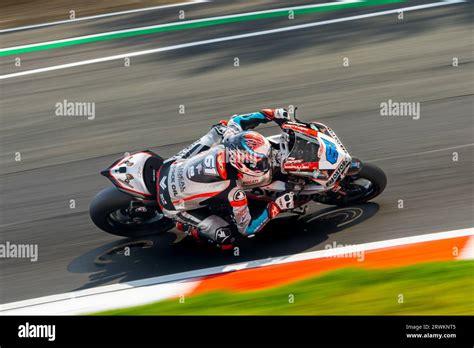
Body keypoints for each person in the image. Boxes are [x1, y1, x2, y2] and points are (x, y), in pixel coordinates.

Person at [157, 108, 295, 250]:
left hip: (169, 166)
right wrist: (276, 207)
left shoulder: (230, 140)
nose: (268, 161)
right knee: (226, 238)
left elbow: (236, 121)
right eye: (262, 162)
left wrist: (270, 115)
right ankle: (186, 226)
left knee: (220, 128)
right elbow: (247, 229)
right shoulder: (234, 192)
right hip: (172, 204)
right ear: (243, 165)